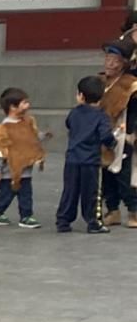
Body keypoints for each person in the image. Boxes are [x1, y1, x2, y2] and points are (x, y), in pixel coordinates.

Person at [57, 77, 116, 234]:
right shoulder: (101, 116)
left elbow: (68, 124)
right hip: (91, 160)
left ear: (81, 96)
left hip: (72, 159)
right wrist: (112, 143)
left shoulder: (74, 113)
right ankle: (93, 222)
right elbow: (105, 136)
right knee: (91, 192)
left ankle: (63, 220)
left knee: (70, 190)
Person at [0, 88, 45, 228]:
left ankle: (26, 216)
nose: (27, 105)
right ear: (13, 107)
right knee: (7, 194)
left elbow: (31, 139)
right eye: (24, 103)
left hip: (25, 169)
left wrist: (41, 138)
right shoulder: (3, 129)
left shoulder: (28, 123)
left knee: (26, 194)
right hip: (9, 172)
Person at [98, 39, 137, 227]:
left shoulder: (131, 85)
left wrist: (133, 132)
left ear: (125, 63)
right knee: (106, 174)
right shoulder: (100, 82)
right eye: (108, 58)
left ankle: (133, 210)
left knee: (124, 174)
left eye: (115, 60)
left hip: (124, 134)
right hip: (103, 133)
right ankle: (112, 210)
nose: (110, 63)